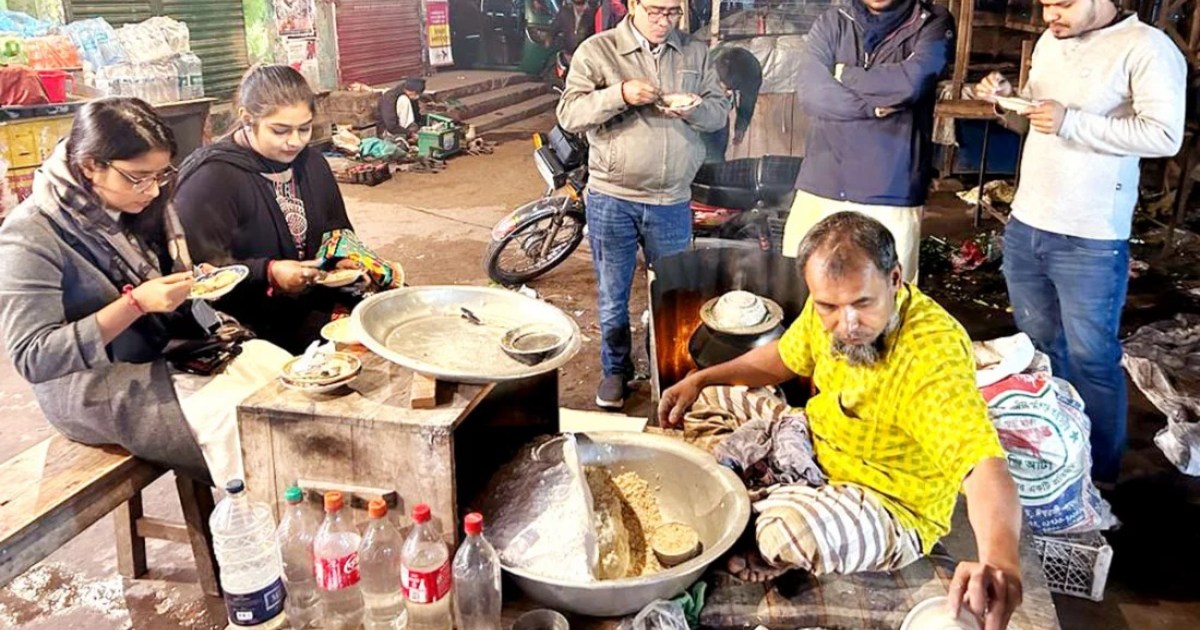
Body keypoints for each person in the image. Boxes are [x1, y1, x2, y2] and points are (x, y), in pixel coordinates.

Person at [659, 213, 1023, 629]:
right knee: (709, 399)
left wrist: (1000, 562)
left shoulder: (931, 356)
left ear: (895, 279)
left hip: (886, 503)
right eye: (829, 307)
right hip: (810, 445)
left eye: (862, 304)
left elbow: (983, 467)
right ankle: (756, 508)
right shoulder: (825, 309)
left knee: (784, 532)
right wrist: (702, 376)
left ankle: (757, 516)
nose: (847, 325)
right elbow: (781, 359)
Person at [0, 98, 291, 486]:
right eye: (138, 177)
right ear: (90, 166)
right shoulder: (32, 234)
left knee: (282, 375)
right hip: (89, 381)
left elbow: (166, 281)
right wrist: (135, 304)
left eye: (160, 175)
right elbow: (33, 356)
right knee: (237, 422)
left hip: (161, 347)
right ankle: (261, 520)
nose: (153, 191)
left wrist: (191, 286)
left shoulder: (144, 203)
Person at [975, 0, 1185, 487]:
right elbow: (1036, 119)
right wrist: (1008, 99)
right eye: (1046, 3)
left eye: (1063, 3)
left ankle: (1100, 475)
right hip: (1027, 224)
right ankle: (1058, 461)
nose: (1051, 14)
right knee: (1042, 350)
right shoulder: (1052, 41)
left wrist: (1071, 121)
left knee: (1093, 359)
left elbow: (1164, 135)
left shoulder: (1147, 48)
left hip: (1089, 238)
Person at [557, 0, 729, 409]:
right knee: (614, 295)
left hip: (671, 199)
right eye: (654, 10)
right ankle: (615, 371)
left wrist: (696, 109)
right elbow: (570, 113)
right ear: (633, 3)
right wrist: (619, 94)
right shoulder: (599, 50)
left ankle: (666, 370)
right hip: (613, 196)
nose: (663, 21)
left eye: (673, 13)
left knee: (672, 294)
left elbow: (719, 113)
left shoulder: (694, 52)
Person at [173, 65, 403, 355]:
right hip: (249, 319)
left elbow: (335, 231)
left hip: (313, 297)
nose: (295, 141)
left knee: (391, 319)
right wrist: (269, 272)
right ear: (247, 119)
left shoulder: (312, 164)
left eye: (304, 129)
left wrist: (343, 261)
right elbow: (203, 275)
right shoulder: (211, 178)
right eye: (280, 130)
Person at [780, 0, 954, 283]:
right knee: (803, 284)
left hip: (890, 186)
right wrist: (870, 108)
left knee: (886, 293)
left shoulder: (932, 21)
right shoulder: (833, 21)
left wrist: (844, 74)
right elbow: (811, 92)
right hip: (824, 178)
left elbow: (911, 83)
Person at [704, 46, 762, 163]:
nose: (726, 92)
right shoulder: (705, 63)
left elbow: (748, 100)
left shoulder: (751, 72)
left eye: (729, 90)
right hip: (697, 107)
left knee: (715, 160)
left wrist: (741, 126)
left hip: (719, 117)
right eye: (722, 87)